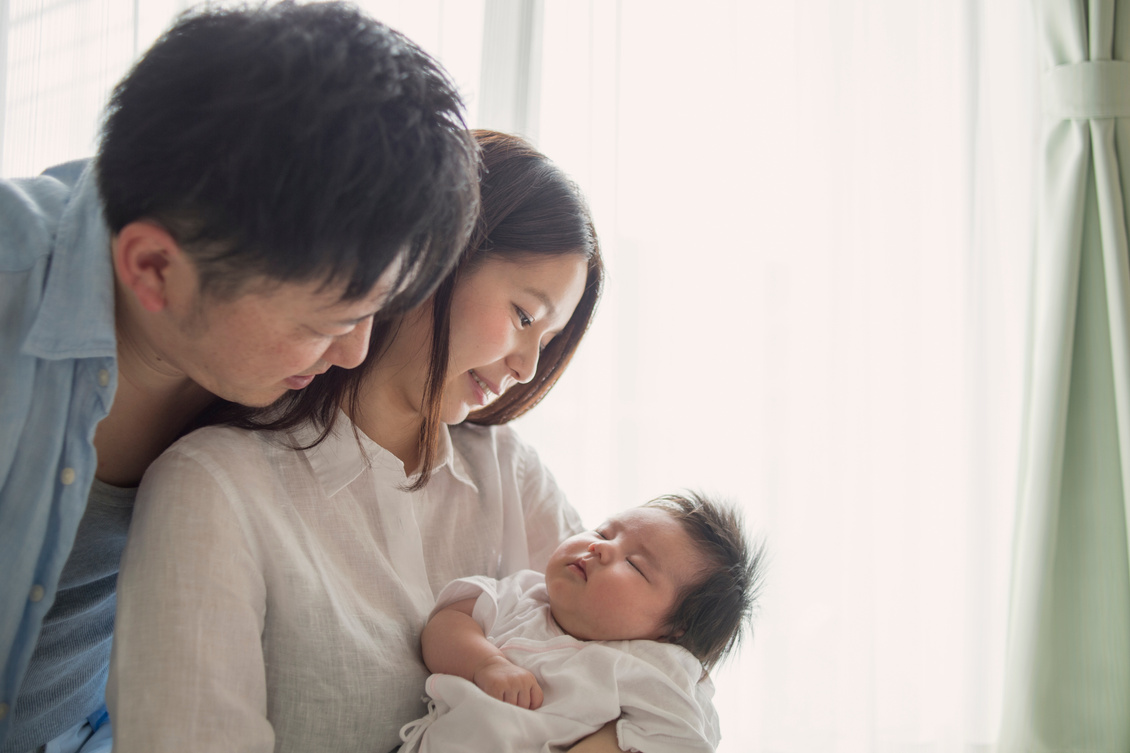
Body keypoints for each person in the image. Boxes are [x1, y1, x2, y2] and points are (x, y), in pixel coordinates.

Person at [0, 3, 479, 752]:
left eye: (374, 314)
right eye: (325, 321)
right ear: (153, 268)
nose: (353, 353)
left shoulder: (277, 363)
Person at [108, 131, 616, 753]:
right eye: (525, 317)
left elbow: (638, 671)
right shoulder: (215, 485)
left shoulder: (511, 474)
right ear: (437, 258)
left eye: (549, 342)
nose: (529, 367)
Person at [398, 493, 761, 753]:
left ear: (672, 631)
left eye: (634, 564)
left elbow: (686, 739)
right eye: (603, 533)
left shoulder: (656, 667)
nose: (600, 548)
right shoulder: (523, 595)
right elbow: (446, 623)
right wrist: (484, 663)